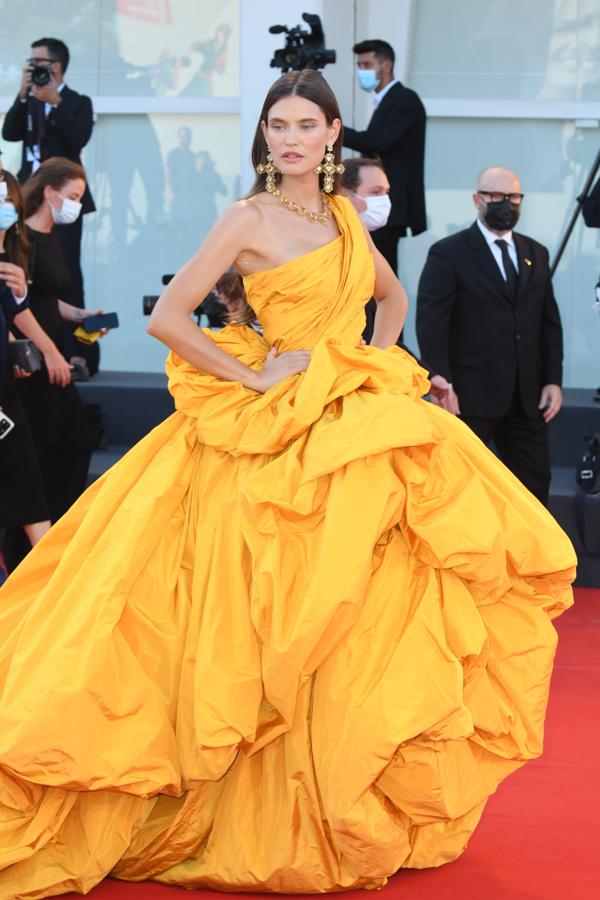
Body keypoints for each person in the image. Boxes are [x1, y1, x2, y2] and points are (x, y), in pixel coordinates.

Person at [0, 73, 575, 897]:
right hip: (270, 421)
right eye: (279, 125)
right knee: (256, 600)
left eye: (308, 124)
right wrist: (258, 375)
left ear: (334, 134)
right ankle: (228, 786)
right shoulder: (247, 217)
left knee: (352, 601)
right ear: (265, 136)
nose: (292, 139)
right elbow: (170, 317)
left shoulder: (342, 212)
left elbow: (391, 292)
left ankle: (332, 782)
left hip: (347, 410)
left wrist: (374, 361)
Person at [416, 166, 564, 505]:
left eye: (513, 197)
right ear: (477, 199)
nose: (506, 204)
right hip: (468, 398)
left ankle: (531, 559)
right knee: (462, 491)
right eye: (496, 196)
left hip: (527, 400)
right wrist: (438, 377)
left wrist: (553, 380)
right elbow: (432, 321)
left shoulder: (535, 253)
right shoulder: (448, 253)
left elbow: (548, 322)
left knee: (533, 490)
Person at [11, 157, 105, 536]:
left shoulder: (52, 238)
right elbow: (18, 306)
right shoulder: (20, 239)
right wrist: (49, 352)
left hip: (53, 354)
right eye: (73, 196)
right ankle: (36, 541)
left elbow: (47, 299)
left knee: (69, 445)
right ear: (49, 192)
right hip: (35, 362)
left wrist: (81, 315)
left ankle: (56, 533)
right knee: (48, 449)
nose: (76, 206)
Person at [1, 37, 97, 370]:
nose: (33, 68)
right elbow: (10, 132)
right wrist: (23, 93)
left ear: (56, 66)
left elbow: (79, 137)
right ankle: (23, 347)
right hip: (29, 195)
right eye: (31, 64)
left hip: (60, 198)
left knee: (66, 270)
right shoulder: (28, 99)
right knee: (22, 271)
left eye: (38, 63)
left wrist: (54, 103)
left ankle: (77, 352)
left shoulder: (76, 101)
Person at [339, 155, 456, 411]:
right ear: (345, 196)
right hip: (335, 379)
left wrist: (428, 373)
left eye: (387, 192)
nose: (384, 201)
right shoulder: (333, 248)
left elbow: (382, 324)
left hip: (364, 378)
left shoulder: (373, 250)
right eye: (376, 192)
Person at [0, 169, 52, 558]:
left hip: (7, 390)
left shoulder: (10, 258)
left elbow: (12, 314)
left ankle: (52, 584)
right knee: (26, 485)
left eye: (7, 201)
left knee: (27, 486)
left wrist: (16, 345)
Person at [343, 39, 427, 276]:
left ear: (386, 65)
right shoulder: (387, 102)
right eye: (359, 65)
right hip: (377, 202)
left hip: (388, 204)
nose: (362, 70)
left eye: (367, 64)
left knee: (381, 275)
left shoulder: (404, 100)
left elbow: (377, 143)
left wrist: (333, 129)